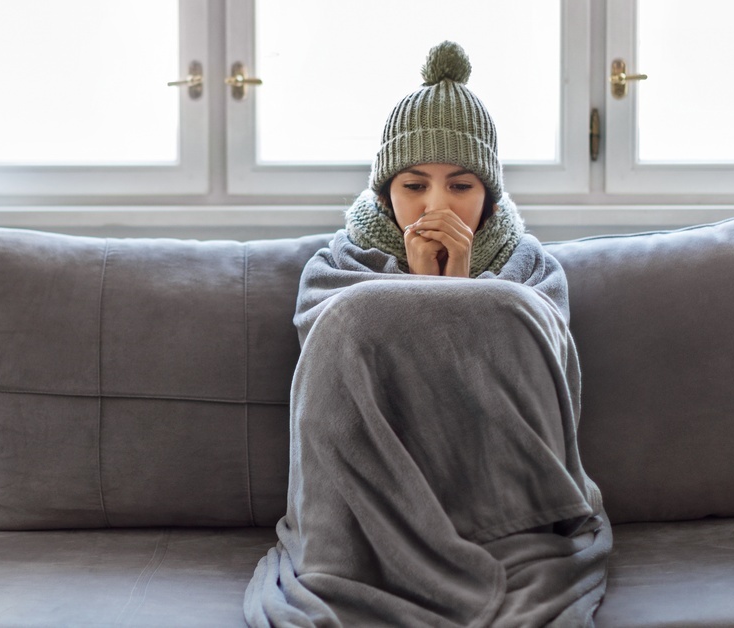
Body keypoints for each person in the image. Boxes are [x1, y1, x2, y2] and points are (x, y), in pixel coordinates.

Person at [244, 41, 611, 627]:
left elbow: (544, 376)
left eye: (460, 186)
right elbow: (333, 361)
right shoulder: (336, 268)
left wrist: (457, 287)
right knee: (354, 314)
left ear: (488, 195)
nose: (435, 205)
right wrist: (416, 287)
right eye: (414, 186)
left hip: (496, 503)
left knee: (509, 308)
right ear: (386, 192)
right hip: (368, 512)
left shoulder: (532, 270)